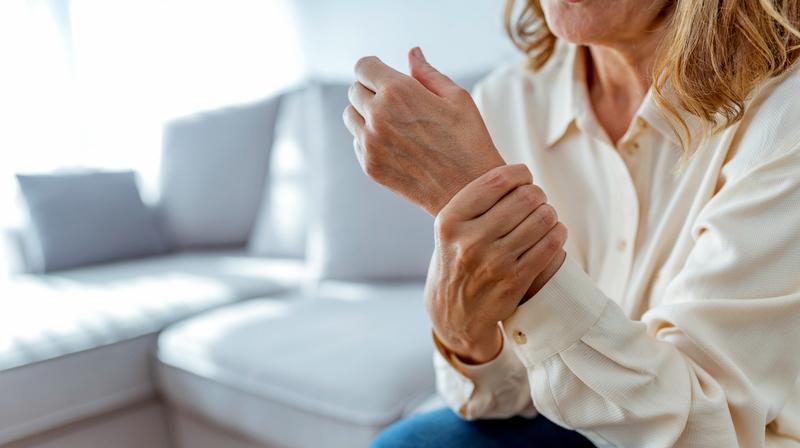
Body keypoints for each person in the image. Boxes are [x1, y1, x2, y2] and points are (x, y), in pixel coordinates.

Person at [343, 0, 800, 446]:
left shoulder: (783, 114)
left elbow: (704, 432)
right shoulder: (508, 100)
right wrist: (456, 323)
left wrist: (490, 205)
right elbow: (508, 393)